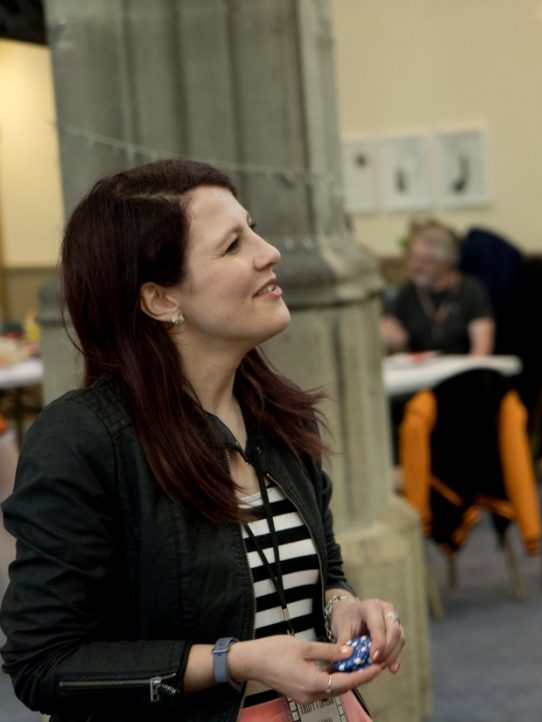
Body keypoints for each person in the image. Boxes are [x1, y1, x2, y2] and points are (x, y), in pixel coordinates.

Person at [0, 160, 405, 721]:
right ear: (161, 299)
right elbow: (43, 664)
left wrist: (346, 608)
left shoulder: (280, 415)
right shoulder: (84, 439)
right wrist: (232, 662)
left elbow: (326, 571)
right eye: (234, 244)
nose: (270, 252)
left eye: (254, 229)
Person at [379, 218, 495, 356]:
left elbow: (482, 349)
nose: (416, 266)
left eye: (425, 260)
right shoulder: (408, 291)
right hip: (421, 373)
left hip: (464, 371)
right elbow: (393, 333)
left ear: (445, 262)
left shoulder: (471, 290)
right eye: (413, 258)